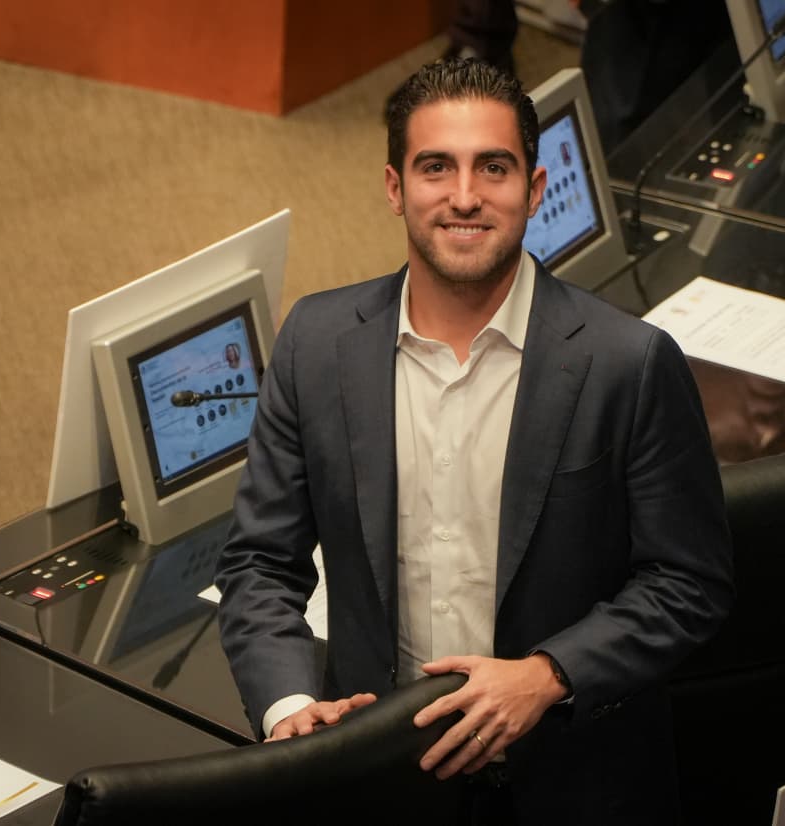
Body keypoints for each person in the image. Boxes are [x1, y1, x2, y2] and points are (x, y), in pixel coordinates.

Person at [215, 58, 733, 825]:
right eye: (436, 167)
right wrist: (289, 707)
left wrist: (548, 674)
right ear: (394, 188)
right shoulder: (314, 345)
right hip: (379, 775)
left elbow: (688, 581)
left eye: (493, 167)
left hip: (569, 785)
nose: (464, 196)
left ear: (535, 185)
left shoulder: (629, 362)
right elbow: (260, 561)